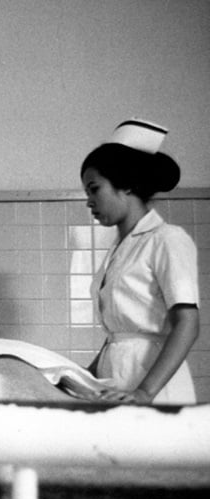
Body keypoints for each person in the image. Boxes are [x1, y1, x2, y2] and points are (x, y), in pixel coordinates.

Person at [81, 118, 200, 404]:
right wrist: (81, 377)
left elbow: (187, 324)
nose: (89, 201)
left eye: (94, 189)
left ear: (126, 185)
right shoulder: (119, 249)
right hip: (117, 381)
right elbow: (119, 336)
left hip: (155, 388)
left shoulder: (166, 239)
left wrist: (145, 392)